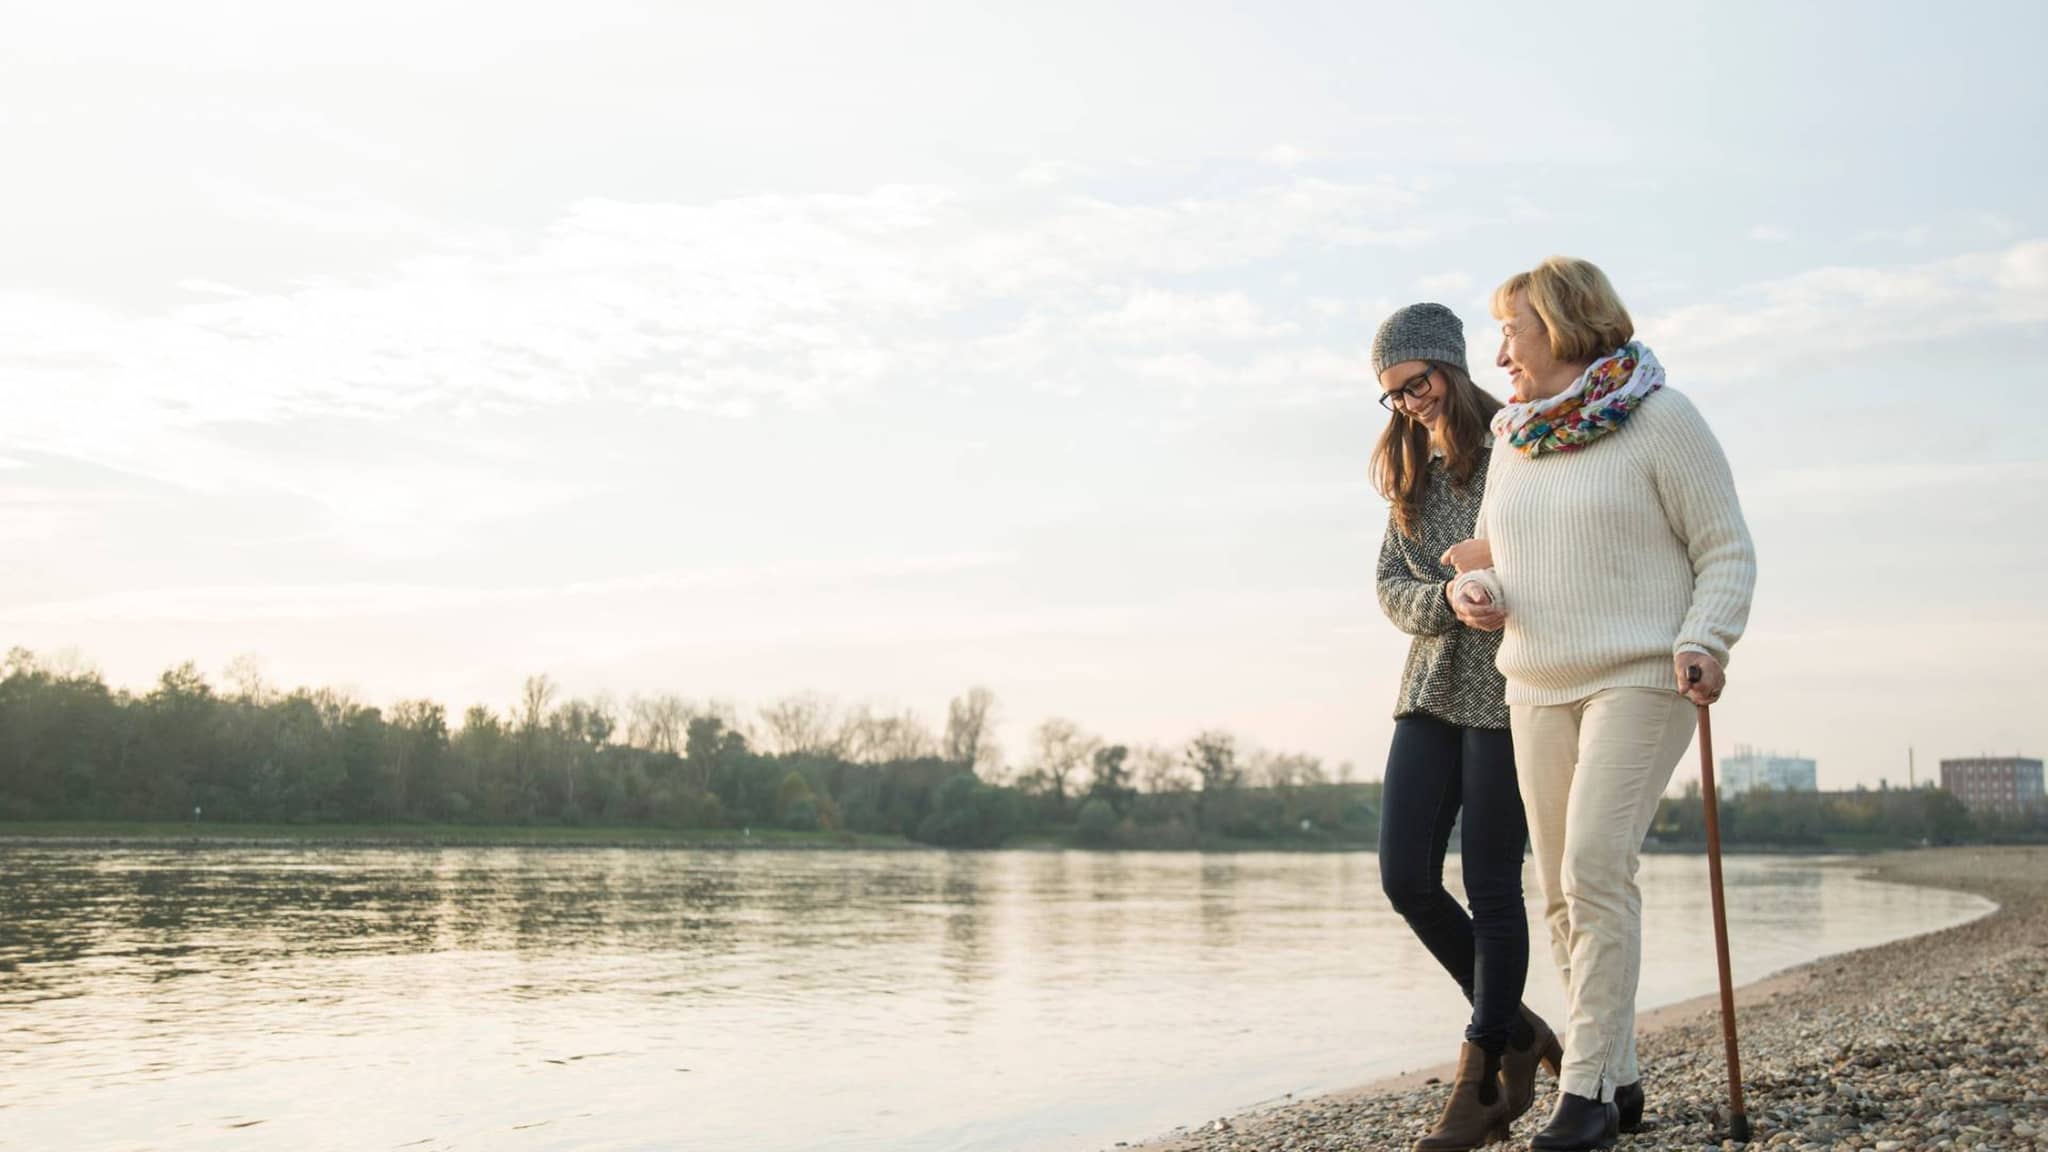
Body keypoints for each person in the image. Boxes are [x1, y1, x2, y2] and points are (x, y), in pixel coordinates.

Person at [1446, 258, 1757, 1151]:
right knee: (1554, 892)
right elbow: (1512, 555)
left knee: (1592, 868)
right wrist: (1482, 589)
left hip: (1640, 673)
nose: (1498, 350)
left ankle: (1580, 1096)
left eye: (1512, 329)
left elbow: (1726, 550)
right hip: (1536, 679)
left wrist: (1707, 638)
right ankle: (1617, 1078)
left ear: (1564, 325)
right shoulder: (1516, 437)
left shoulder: (1661, 418)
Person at [1369, 302, 1562, 1151]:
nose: (1410, 403)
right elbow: (1388, 585)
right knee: (1404, 875)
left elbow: (1558, 548)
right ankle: (1518, 1028)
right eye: (1394, 394)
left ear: (1450, 365)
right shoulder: (1405, 466)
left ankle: (1482, 1072)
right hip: (1430, 684)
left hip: (1510, 687)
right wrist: (1445, 598)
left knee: (1490, 884)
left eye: (1417, 383)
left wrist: (1497, 577)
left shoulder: (1518, 445)